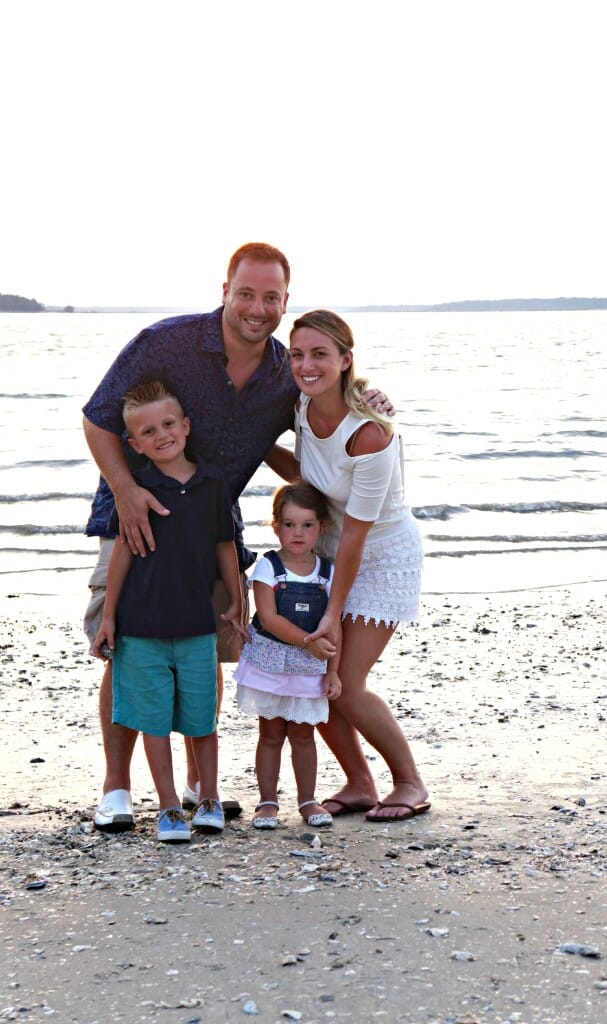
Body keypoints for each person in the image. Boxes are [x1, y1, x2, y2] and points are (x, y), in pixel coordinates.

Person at [82, 242, 392, 832]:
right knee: (129, 651)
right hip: (139, 520)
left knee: (212, 644)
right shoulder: (166, 342)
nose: (256, 307)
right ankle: (117, 788)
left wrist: (370, 402)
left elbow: (327, 406)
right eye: (245, 293)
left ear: (284, 302)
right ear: (225, 291)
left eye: (270, 297)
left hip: (213, 529)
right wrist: (125, 491)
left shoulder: (285, 372)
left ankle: (201, 785)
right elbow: (99, 416)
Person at [281, 309, 430, 822]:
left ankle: (410, 781)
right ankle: (359, 782)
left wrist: (331, 613)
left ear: (346, 360)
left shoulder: (370, 435)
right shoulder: (301, 405)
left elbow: (357, 538)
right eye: (297, 354)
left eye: (320, 354)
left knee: (344, 676)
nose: (306, 364)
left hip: (381, 556)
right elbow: (311, 475)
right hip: (334, 550)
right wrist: (252, 450)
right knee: (314, 674)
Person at [91, 380, 246, 841]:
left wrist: (236, 597)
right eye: (147, 431)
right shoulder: (136, 488)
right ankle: (169, 808)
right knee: (154, 720)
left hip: (198, 625)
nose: (161, 435)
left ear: (186, 425)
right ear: (133, 444)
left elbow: (225, 545)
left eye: (168, 424)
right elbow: (121, 553)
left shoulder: (213, 483)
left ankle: (209, 796)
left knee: (202, 719)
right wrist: (109, 616)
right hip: (141, 628)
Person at [233, 481, 341, 830]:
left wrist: (333, 671)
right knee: (270, 734)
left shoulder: (327, 572)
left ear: (320, 528)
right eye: (289, 524)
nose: (298, 533)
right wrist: (307, 642)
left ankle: (308, 800)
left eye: (307, 525)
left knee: (304, 735)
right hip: (270, 665)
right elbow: (269, 618)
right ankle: (267, 802)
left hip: (309, 668)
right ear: (276, 526)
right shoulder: (268, 567)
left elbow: (333, 625)